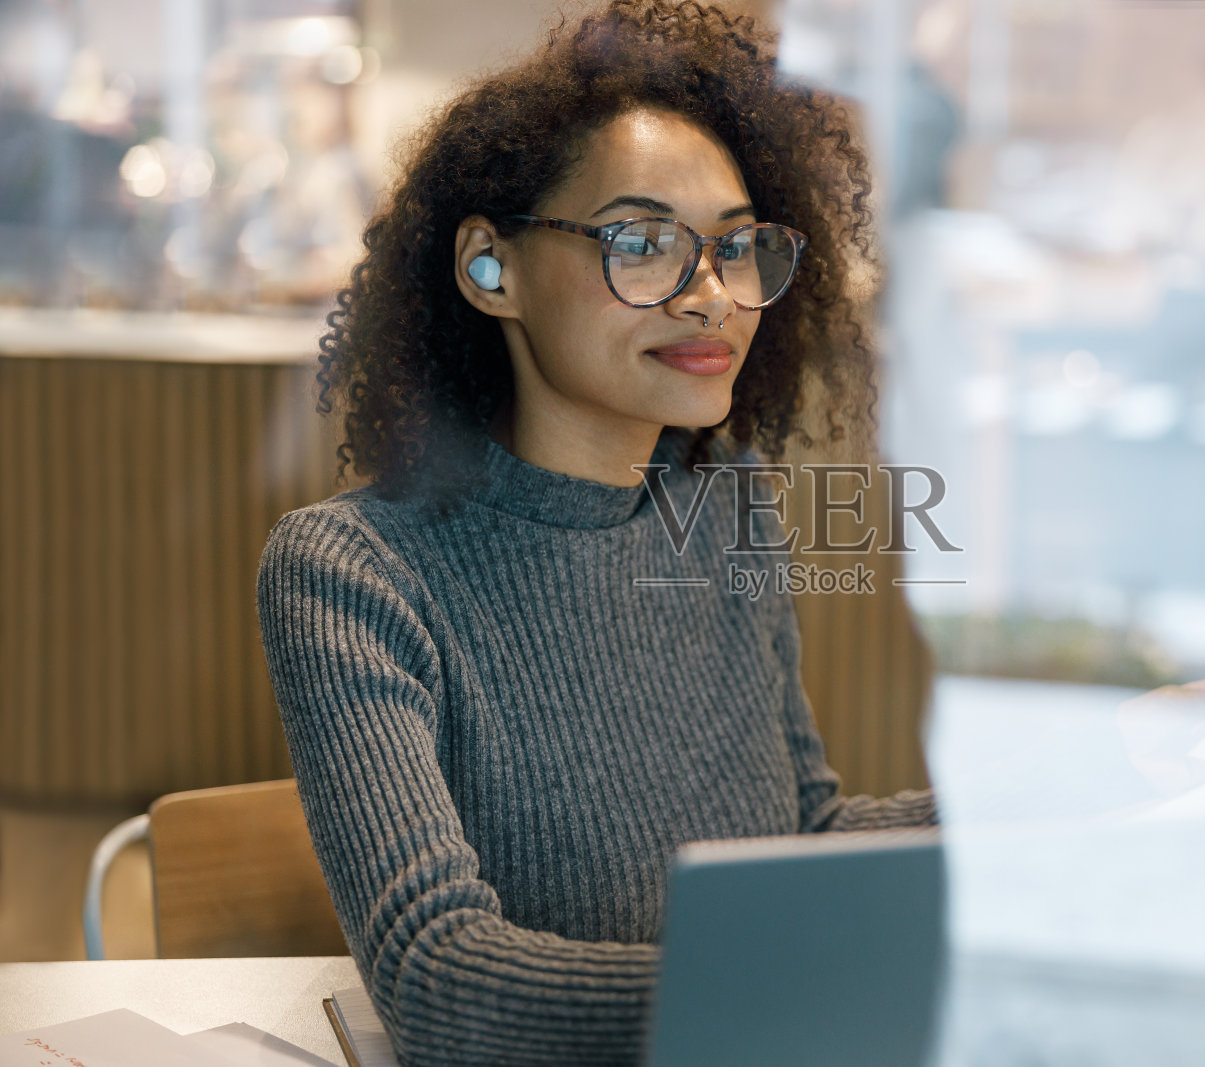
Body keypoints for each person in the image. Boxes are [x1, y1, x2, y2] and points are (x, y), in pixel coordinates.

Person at [254, 3, 936, 1065]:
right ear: (493, 269)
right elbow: (441, 979)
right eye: (643, 241)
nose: (710, 295)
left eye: (734, 246)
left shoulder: (723, 500)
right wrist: (800, 992)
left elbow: (793, 835)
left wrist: (1053, 793)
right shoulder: (352, 571)